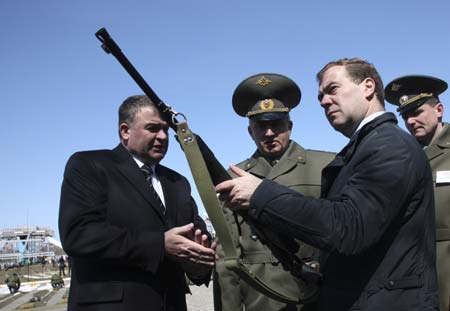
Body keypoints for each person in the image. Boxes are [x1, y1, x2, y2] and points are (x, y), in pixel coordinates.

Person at [215, 58, 438, 310]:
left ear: (368, 87)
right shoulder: (364, 148)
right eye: (320, 95)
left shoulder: (388, 147)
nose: (323, 101)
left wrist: (260, 194)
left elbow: (349, 228)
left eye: (332, 89)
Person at [59, 95, 216, 311]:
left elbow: (196, 234)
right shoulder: (89, 166)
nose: (162, 136)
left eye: (166, 130)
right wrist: (159, 245)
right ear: (125, 131)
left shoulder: (178, 182)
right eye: (152, 128)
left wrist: (198, 264)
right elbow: (79, 234)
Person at [213, 73, 335, 311]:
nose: (269, 133)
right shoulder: (233, 178)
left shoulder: (325, 166)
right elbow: (227, 257)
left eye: (276, 124)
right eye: (261, 126)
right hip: (260, 296)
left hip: (314, 294)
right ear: (250, 131)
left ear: (289, 127)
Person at [385, 75, 449, 311]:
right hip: (409, 278)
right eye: (405, 116)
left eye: (417, 112)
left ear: (439, 109)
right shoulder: (401, 157)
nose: (410, 121)